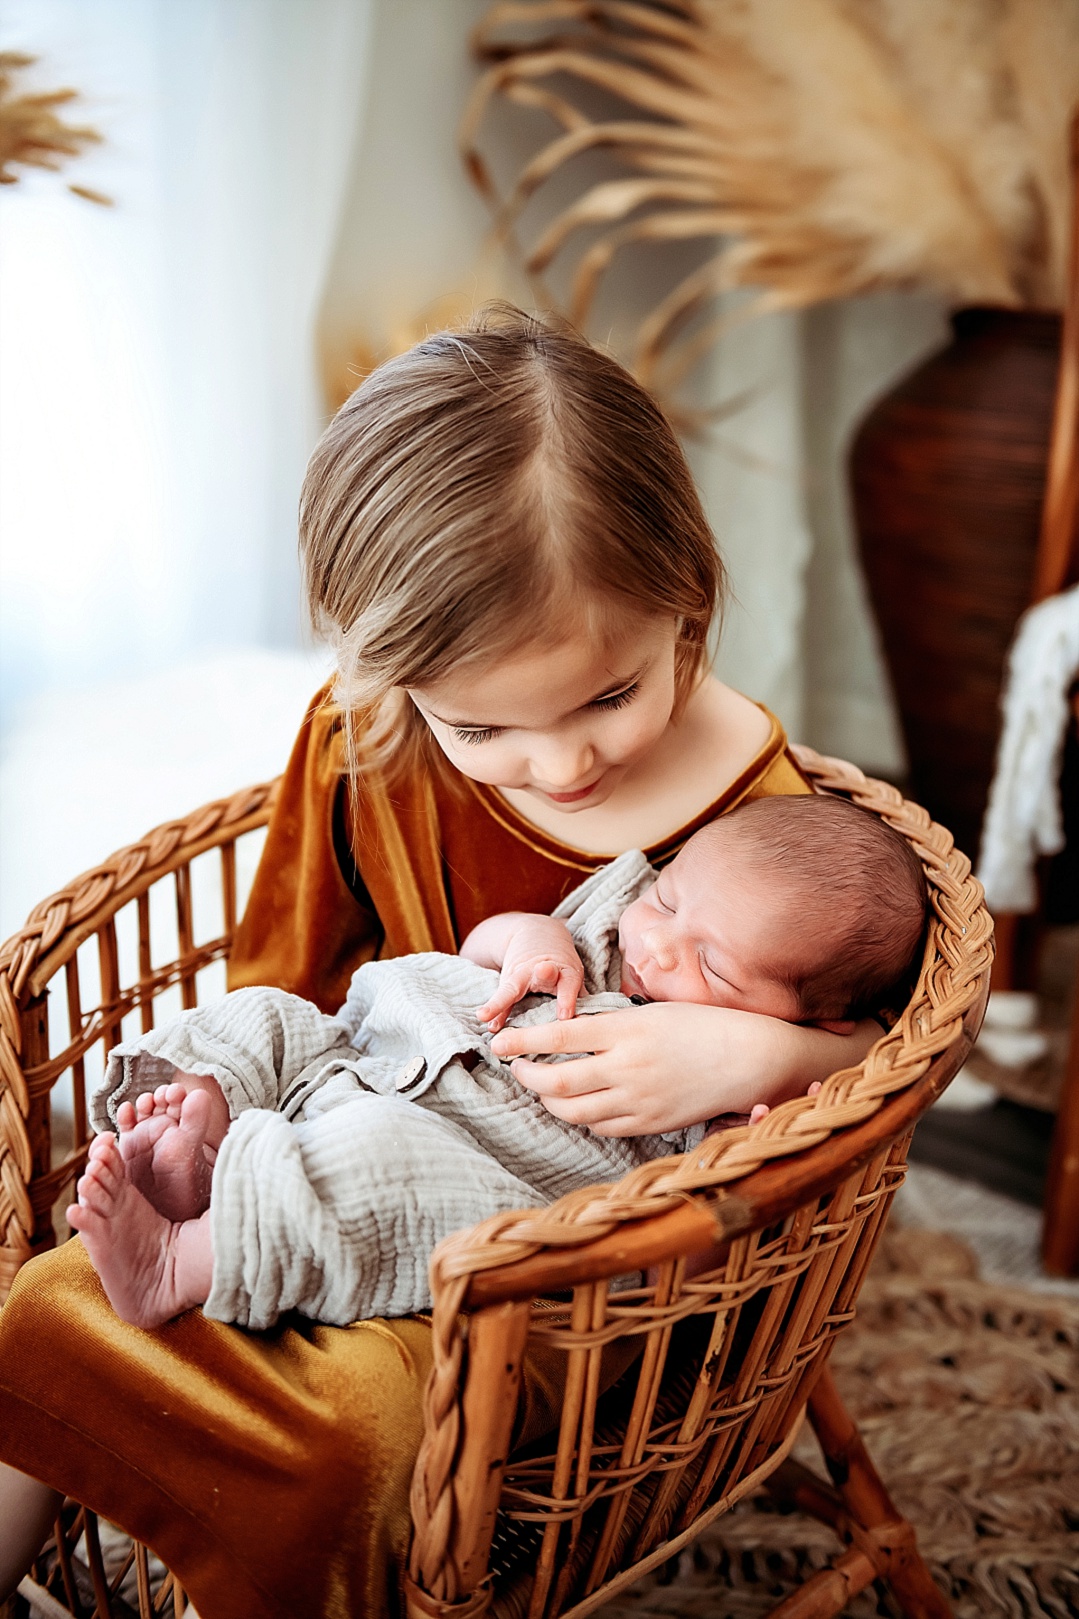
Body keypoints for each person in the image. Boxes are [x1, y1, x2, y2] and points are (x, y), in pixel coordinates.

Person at [0, 307, 889, 1618]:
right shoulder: (369, 739)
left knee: (352, 1426)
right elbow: (294, 979)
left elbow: (899, 1042)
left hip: (536, 1274)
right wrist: (240, 1094)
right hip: (345, 1102)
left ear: (685, 593)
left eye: (606, 694)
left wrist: (763, 1046)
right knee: (54, 1290)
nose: (562, 764)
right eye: (481, 723)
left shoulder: (756, 824)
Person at [67, 795, 926, 1335]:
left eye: (712, 966)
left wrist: (747, 1149)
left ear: (816, 1018)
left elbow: (691, 1248)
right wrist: (534, 937)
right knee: (265, 1014)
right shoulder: (616, 914)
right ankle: (204, 1134)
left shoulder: (749, 1103)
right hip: (362, 1043)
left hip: (457, 1156)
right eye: (665, 897)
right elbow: (480, 945)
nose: (655, 943)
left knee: (376, 1161)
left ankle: (181, 1260)